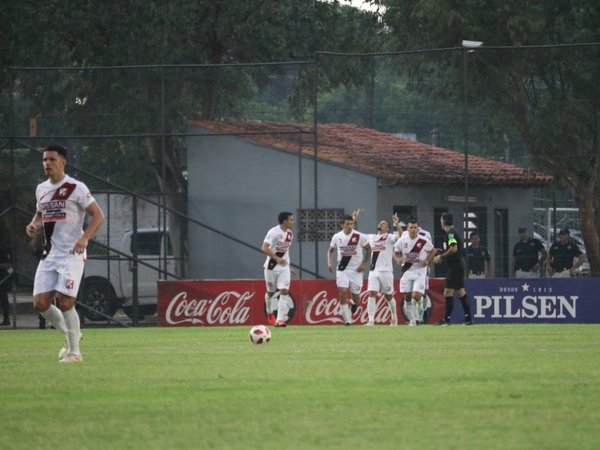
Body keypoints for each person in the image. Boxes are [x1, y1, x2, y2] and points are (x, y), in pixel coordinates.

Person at [25, 144, 105, 363]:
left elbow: (98, 215)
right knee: (40, 303)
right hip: (49, 253)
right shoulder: (41, 189)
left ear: (63, 162)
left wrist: (85, 237)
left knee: (66, 301)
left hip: (72, 252)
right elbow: (40, 214)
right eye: (44, 160)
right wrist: (33, 224)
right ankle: (73, 335)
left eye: (51, 159)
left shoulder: (76, 187)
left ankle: (74, 352)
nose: (47, 163)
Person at [327, 211, 369, 326]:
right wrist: (329, 262)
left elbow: (369, 249)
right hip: (342, 269)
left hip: (356, 270)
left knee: (356, 296)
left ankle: (354, 304)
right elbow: (331, 250)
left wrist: (364, 264)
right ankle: (347, 320)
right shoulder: (337, 236)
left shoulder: (359, 236)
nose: (350, 226)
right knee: (342, 292)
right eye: (348, 224)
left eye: (352, 224)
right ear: (342, 225)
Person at [394, 217, 436, 326]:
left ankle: (421, 309)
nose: (413, 229)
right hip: (407, 270)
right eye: (411, 227)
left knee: (416, 295)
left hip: (420, 271)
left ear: (418, 229)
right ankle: (412, 319)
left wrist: (427, 261)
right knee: (407, 296)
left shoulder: (423, 241)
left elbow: (433, 251)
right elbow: (395, 251)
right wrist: (398, 258)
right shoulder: (402, 240)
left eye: (415, 228)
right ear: (407, 228)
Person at [363, 213, 403, 326]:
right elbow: (357, 235)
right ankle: (371, 320)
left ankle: (394, 316)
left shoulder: (389, 237)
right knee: (371, 293)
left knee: (388, 296)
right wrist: (355, 221)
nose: (381, 223)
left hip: (386, 271)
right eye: (380, 222)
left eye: (384, 223)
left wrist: (397, 223)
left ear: (388, 228)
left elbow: (401, 236)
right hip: (373, 271)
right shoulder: (371, 237)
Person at [433, 212, 473, 325]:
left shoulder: (450, 234)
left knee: (448, 292)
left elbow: (454, 248)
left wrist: (442, 256)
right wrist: (442, 251)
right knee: (460, 292)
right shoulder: (452, 233)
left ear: (443, 222)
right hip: (457, 266)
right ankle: (468, 319)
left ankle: (447, 319)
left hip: (455, 267)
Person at [261, 211, 295, 327]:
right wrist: (276, 258)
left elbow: (285, 251)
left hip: (284, 267)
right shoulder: (273, 232)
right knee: (270, 293)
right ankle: (270, 312)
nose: (293, 222)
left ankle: (280, 320)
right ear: (284, 221)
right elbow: (264, 248)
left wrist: (288, 266)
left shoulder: (290, 234)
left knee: (284, 290)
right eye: (291, 219)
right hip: (271, 266)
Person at [0, 243, 12, 326]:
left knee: (3, 298)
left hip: (2, 279)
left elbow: (8, 265)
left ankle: (6, 318)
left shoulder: (2, 250)